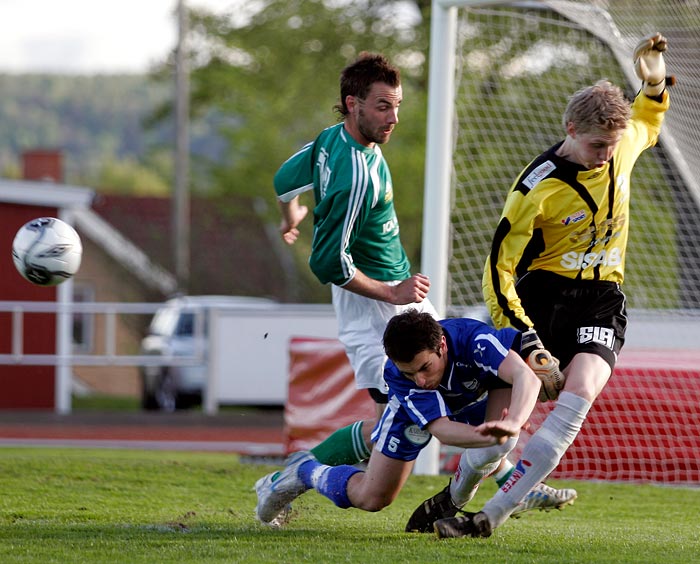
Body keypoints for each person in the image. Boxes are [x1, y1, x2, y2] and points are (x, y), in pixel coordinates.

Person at [258, 52, 574, 527]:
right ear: (352, 104)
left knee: (423, 405)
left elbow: (285, 180)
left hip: (400, 299)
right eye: (383, 106)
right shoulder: (355, 174)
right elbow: (327, 262)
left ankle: (505, 476)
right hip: (375, 309)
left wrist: (291, 218)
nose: (394, 117)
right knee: (407, 413)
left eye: (397, 105)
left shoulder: (334, 141)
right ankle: (295, 475)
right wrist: (392, 293)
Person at [427, 33, 671, 539]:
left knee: (578, 395)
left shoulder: (621, 144)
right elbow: (498, 270)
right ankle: (454, 496)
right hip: (539, 300)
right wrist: (528, 339)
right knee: (497, 437)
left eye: (611, 144)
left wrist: (653, 82)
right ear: (569, 129)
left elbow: (646, 121)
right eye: (596, 145)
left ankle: (487, 518)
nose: (606, 154)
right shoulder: (535, 188)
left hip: (602, 299)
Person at [256, 309, 546, 524]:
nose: (419, 379)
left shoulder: (474, 339)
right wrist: (483, 436)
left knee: (495, 435)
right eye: (410, 372)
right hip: (415, 416)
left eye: (424, 368)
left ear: (442, 346)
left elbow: (526, 378)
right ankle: (305, 470)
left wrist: (512, 422)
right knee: (373, 498)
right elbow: (442, 430)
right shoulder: (400, 376)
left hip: (467, 398)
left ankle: (496, 486)